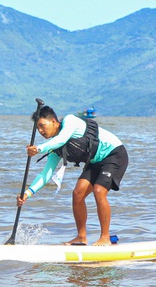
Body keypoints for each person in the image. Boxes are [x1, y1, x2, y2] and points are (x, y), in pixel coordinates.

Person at [16, 105, 128, 246]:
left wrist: (38, 148)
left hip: (114, 154)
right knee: (78, 194)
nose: (40, 131)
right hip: (96, 161)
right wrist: (26, 194)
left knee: (99, 191)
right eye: (37, 128)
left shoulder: (70, 121)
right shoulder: (54, 147)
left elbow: (62, 139)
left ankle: (105, 237)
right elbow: (46, 173)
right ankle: (81, 237)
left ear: (54, 121)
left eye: (42, 125)